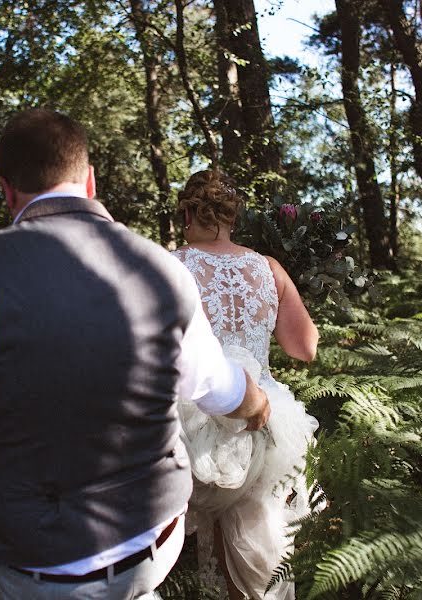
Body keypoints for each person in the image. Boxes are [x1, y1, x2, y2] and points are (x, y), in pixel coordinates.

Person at [0, 109, 273, 600]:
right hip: (154, 547)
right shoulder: (161, 268)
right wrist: (259, 406)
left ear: (7, 189)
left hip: (45, 570)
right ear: (90, 181)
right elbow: (216, 385)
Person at [172, 170, 320, 600]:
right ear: (234, 217)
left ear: (186, 213)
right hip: (267, 414)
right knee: (262, 533)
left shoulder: (174, 265)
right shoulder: (267, 267)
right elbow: (304, 348)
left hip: (197, 418)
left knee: (214, 542)